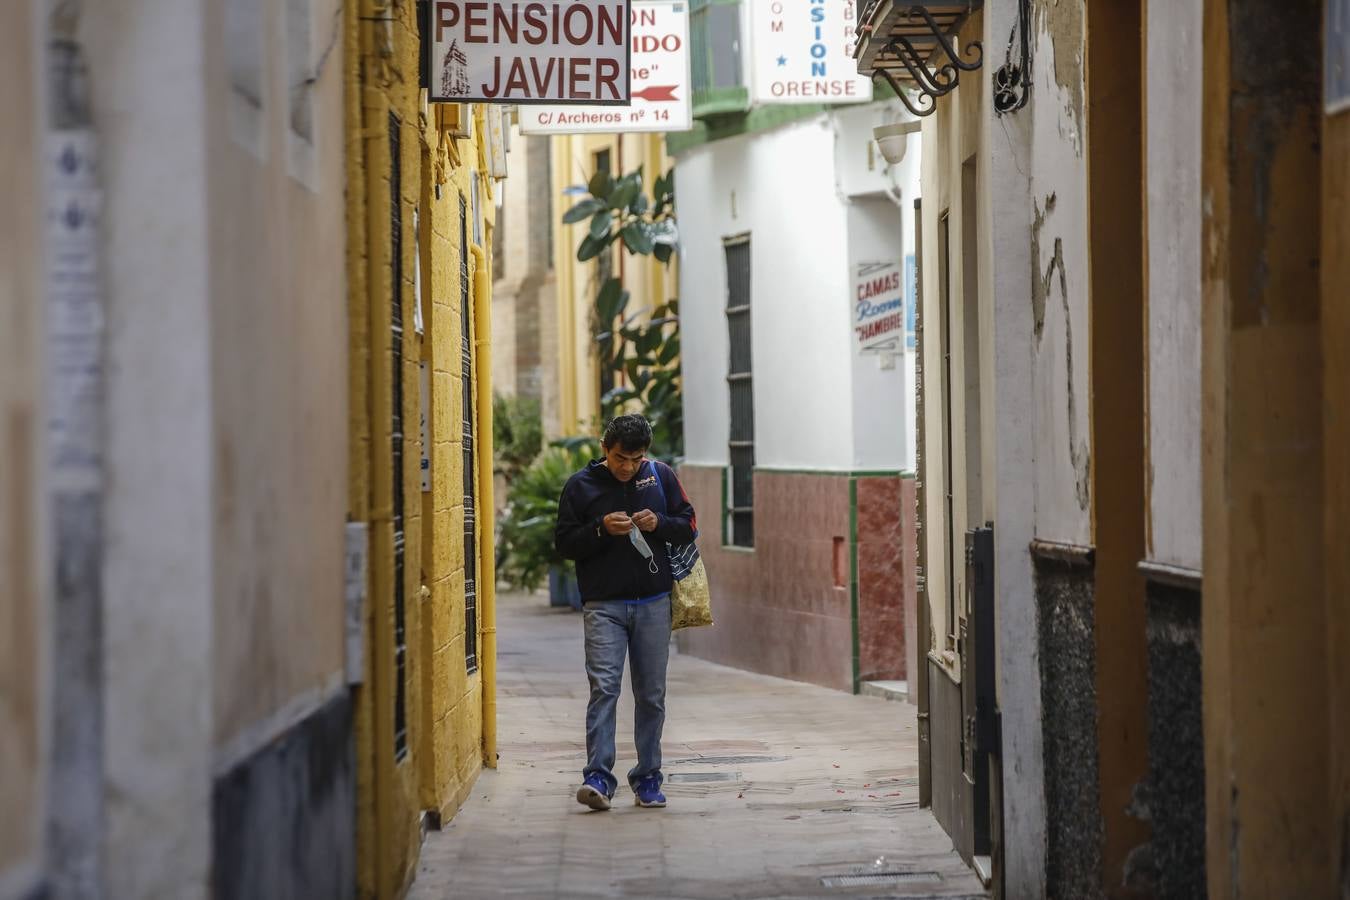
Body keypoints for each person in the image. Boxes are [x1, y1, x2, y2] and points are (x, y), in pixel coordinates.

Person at [554, 414, 697, 811]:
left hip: (653, 604)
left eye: (636, 459)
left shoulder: (660, 477)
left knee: (651, 695)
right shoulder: (581, 487)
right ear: (604, 448)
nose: (628, 467)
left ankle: (648, 778)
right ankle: (598, 777)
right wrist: (600, 529)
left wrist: (660, 523)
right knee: (605, 689)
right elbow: (564, 543)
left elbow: (688, 525)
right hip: (604, 606)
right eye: (620, 458)